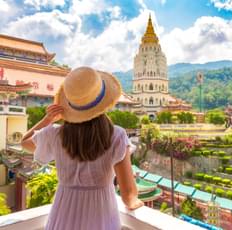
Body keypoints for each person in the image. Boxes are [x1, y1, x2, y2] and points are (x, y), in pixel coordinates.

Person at [21, 67, 143, 230]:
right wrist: (136, 202)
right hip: (101, 217)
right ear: (103, 103)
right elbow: (128, 195)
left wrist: (48, 119)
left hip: (62, 215)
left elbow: (24, 142)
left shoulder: (55, 134)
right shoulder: (116, 136)